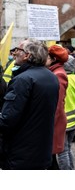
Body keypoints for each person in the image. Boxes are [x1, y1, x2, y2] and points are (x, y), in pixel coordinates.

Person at [0, 39, 59, 169]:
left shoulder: (22, 80)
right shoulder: (51, 77)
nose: (14, 53)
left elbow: (7, 120)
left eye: (18, 50)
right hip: (41, 150)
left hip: (20, 154)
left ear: (27, 55)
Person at [47, 44, 69, 169]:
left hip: (54, 125)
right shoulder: (54, 72)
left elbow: (57, 105)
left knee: (51, 161)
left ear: (54, 59)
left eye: (47, 56)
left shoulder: (58, 74)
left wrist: (48, 126)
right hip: (54, 123)